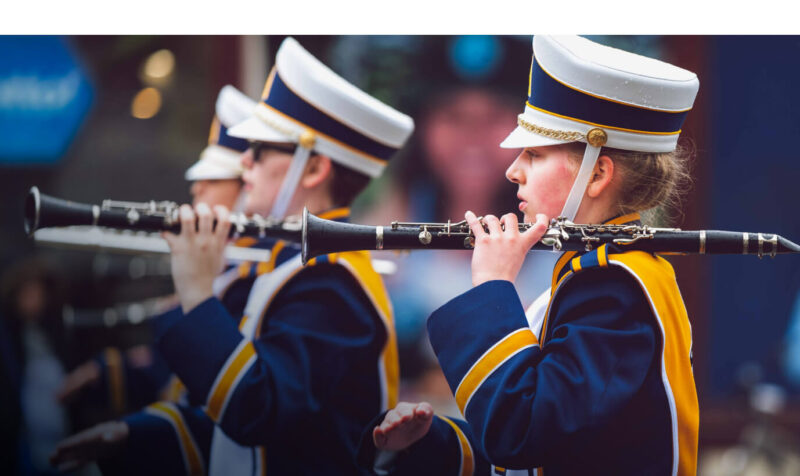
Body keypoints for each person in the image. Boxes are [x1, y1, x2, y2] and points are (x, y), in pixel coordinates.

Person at [52, 37, 414, 476]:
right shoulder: (297, 270)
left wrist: (197, 293)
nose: (244, 166)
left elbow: (255, 411)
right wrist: (132, 435)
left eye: (259, 151)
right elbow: (246, 445)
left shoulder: (331, 281)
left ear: (315, 169)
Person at [362, 35, 700, 475]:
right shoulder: (597, 275)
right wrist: (434, 444)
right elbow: (557, 451)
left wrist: (492, 286)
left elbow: (521, 433)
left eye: (534, 154)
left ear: (596, 173)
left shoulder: (614, 290)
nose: (512, 169)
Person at [55, 85, 258, 416]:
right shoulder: (231, 266)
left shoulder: (253, 273)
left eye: (214, 178)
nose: (197, 187)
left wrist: (194, 301)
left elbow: (237, 400)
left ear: (246, 189)